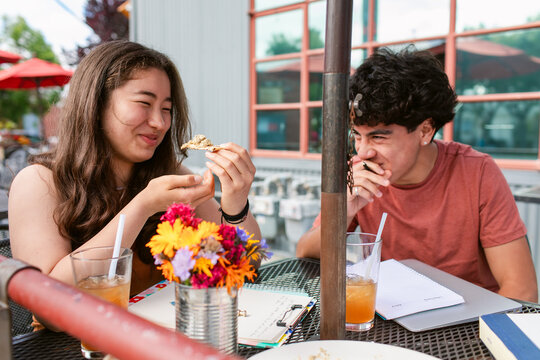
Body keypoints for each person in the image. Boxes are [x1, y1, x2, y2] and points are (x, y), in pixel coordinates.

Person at [9, 40, 262, 300]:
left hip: (162, 335)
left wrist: (236, 205)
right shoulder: (39, 181)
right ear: (96, 106)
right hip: (72, 341)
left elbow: (247, 262)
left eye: (167, 109)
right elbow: (46, 302)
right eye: (144, 103)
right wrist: (143, 206)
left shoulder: (169, 174)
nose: (160, 122)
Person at [296, 47, 538, 302]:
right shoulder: (356, 175)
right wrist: (344, 211)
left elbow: (522, 290)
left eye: (378, 137)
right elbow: (306, 253)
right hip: (392, 318)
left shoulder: (477, 172)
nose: (364, 151)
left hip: (467, 323)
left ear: (425, 131)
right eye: (357, 135)